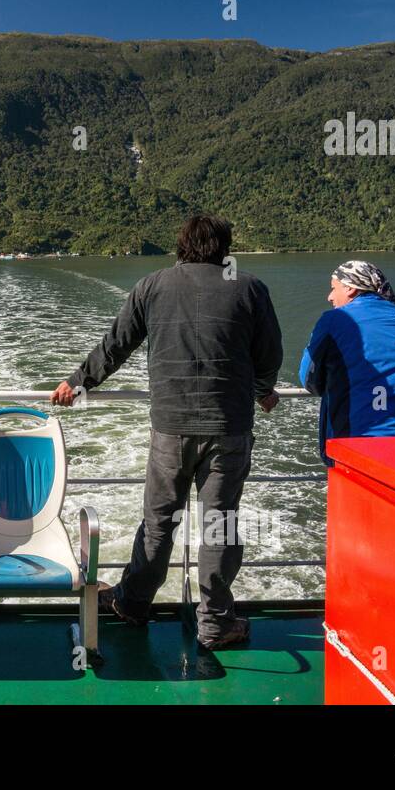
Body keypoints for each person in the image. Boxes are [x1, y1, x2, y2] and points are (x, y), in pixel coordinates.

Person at [51, 215, 282, 650]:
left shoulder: (152, 286)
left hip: (171, 430)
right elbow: (269, 355)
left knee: (159, 523)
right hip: (228, 428)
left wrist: (79, 382)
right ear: (224, 249)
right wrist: (262, 389)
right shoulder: (250, 288)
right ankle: (215, 623)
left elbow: (115, 345)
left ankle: (133, 604)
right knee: (221, 524)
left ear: (181, 247)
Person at [299, 260, 395, 465]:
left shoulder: (333, 320)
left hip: (356, 445)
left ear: (350, 287)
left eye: (333, 288)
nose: (330, 297)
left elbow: (309, 379)